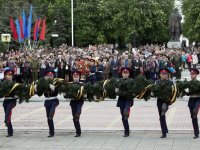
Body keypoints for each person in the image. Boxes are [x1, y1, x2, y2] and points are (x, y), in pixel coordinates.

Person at [38, 69, 59, 137]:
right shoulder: (44, 83)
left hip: (54, 100)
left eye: (51, 75)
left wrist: (54, 88)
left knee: (50, 115)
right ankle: (51, 132)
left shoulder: (56, 82)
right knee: (49, 118)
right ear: (46, 76)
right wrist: (36, 89)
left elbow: (57, 92)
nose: (50, 77)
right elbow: (40, 94)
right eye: (48, 76)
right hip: (47, 101)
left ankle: (51, 131)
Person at [116, 67, 134, 137]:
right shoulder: (118, 81)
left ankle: (126, 132)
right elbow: (116, 89)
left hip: (128, 99)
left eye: (126, 73)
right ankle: (127, 130)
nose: (125, 74)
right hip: (121, 99)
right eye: (124, 73)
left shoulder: (132, 81)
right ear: (122, 74)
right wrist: (116, 91)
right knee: (123, 116)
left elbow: (134, 90)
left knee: (125, 113)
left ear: (129, 74)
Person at [156, 68, 173, 138]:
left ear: (167, 75)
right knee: (161, 116)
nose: (164, 75)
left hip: (166, 101)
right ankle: (164, 131)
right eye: (162, 74)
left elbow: (172, 92)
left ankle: (164, 132)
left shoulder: (170, 83)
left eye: (165, 74)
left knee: (162, 114)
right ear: (160, 75)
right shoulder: (157, 82)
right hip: (159, 100)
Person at [2, 68, 17, 137]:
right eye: (8, 75)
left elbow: (19, 92)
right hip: (6, 101)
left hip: (12, 100)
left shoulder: (15, 84)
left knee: (8, 112)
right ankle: (10, 132)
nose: (10, 76)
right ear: (5, 76)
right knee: (8, 115)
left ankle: (6, 120)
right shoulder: (3, 84)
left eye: (11, 75)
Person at [70, 71, 85, 137]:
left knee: (77, 113)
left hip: (80, 101)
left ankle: (78, 112)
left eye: (77, 77)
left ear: (79, 77)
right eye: (74, 77)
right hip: (73, 102)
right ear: (73, 77)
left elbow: (85, 92)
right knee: (75, 118)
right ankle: (78, 132)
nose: (76, 78)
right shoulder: (70, 85)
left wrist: (86, 95)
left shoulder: (82, 84)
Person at [187, 68, 200, 139]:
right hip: (191, 100)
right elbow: (188, 93)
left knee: (194, 114)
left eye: (193, 74)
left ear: (196, 75)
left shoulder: (198, 83)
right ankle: (197, 130)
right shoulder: (188, 83)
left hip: (198, 99)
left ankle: (196, 133)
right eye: (191, 74)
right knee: (193, 117)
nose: (192, 75)